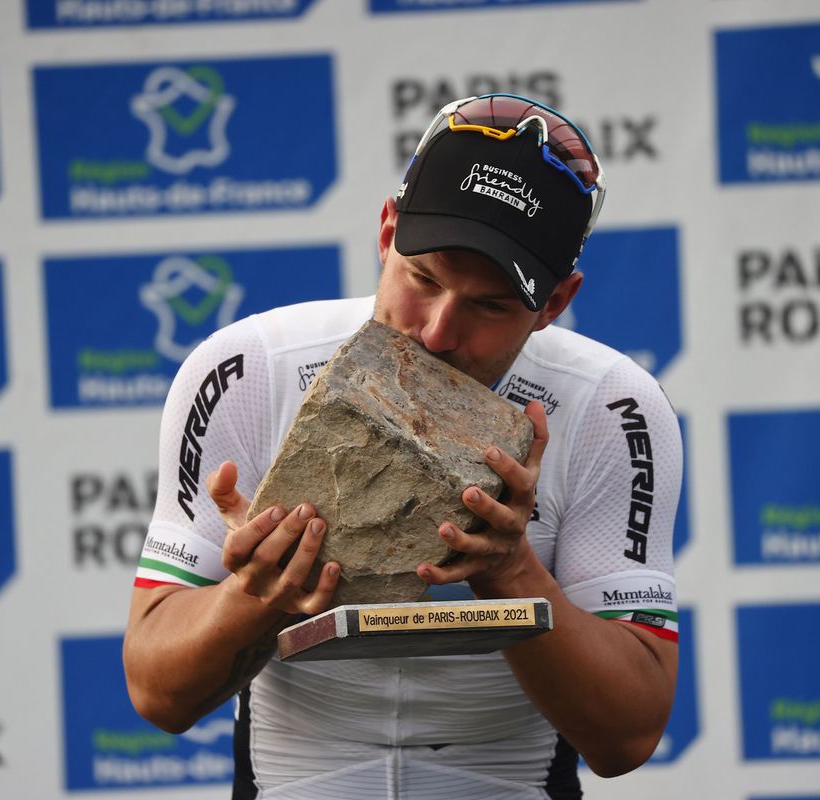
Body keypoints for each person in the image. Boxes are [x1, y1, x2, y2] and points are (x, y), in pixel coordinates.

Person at [123, 94, 682, 800]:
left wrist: (511, 571)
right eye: (423, 279)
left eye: (490, 306)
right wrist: (257, 597)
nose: (439, 333)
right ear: (387, 232)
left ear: (555, 304)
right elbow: (155, 692)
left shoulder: (612, 404)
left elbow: (627, 736)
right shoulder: (247, 369)